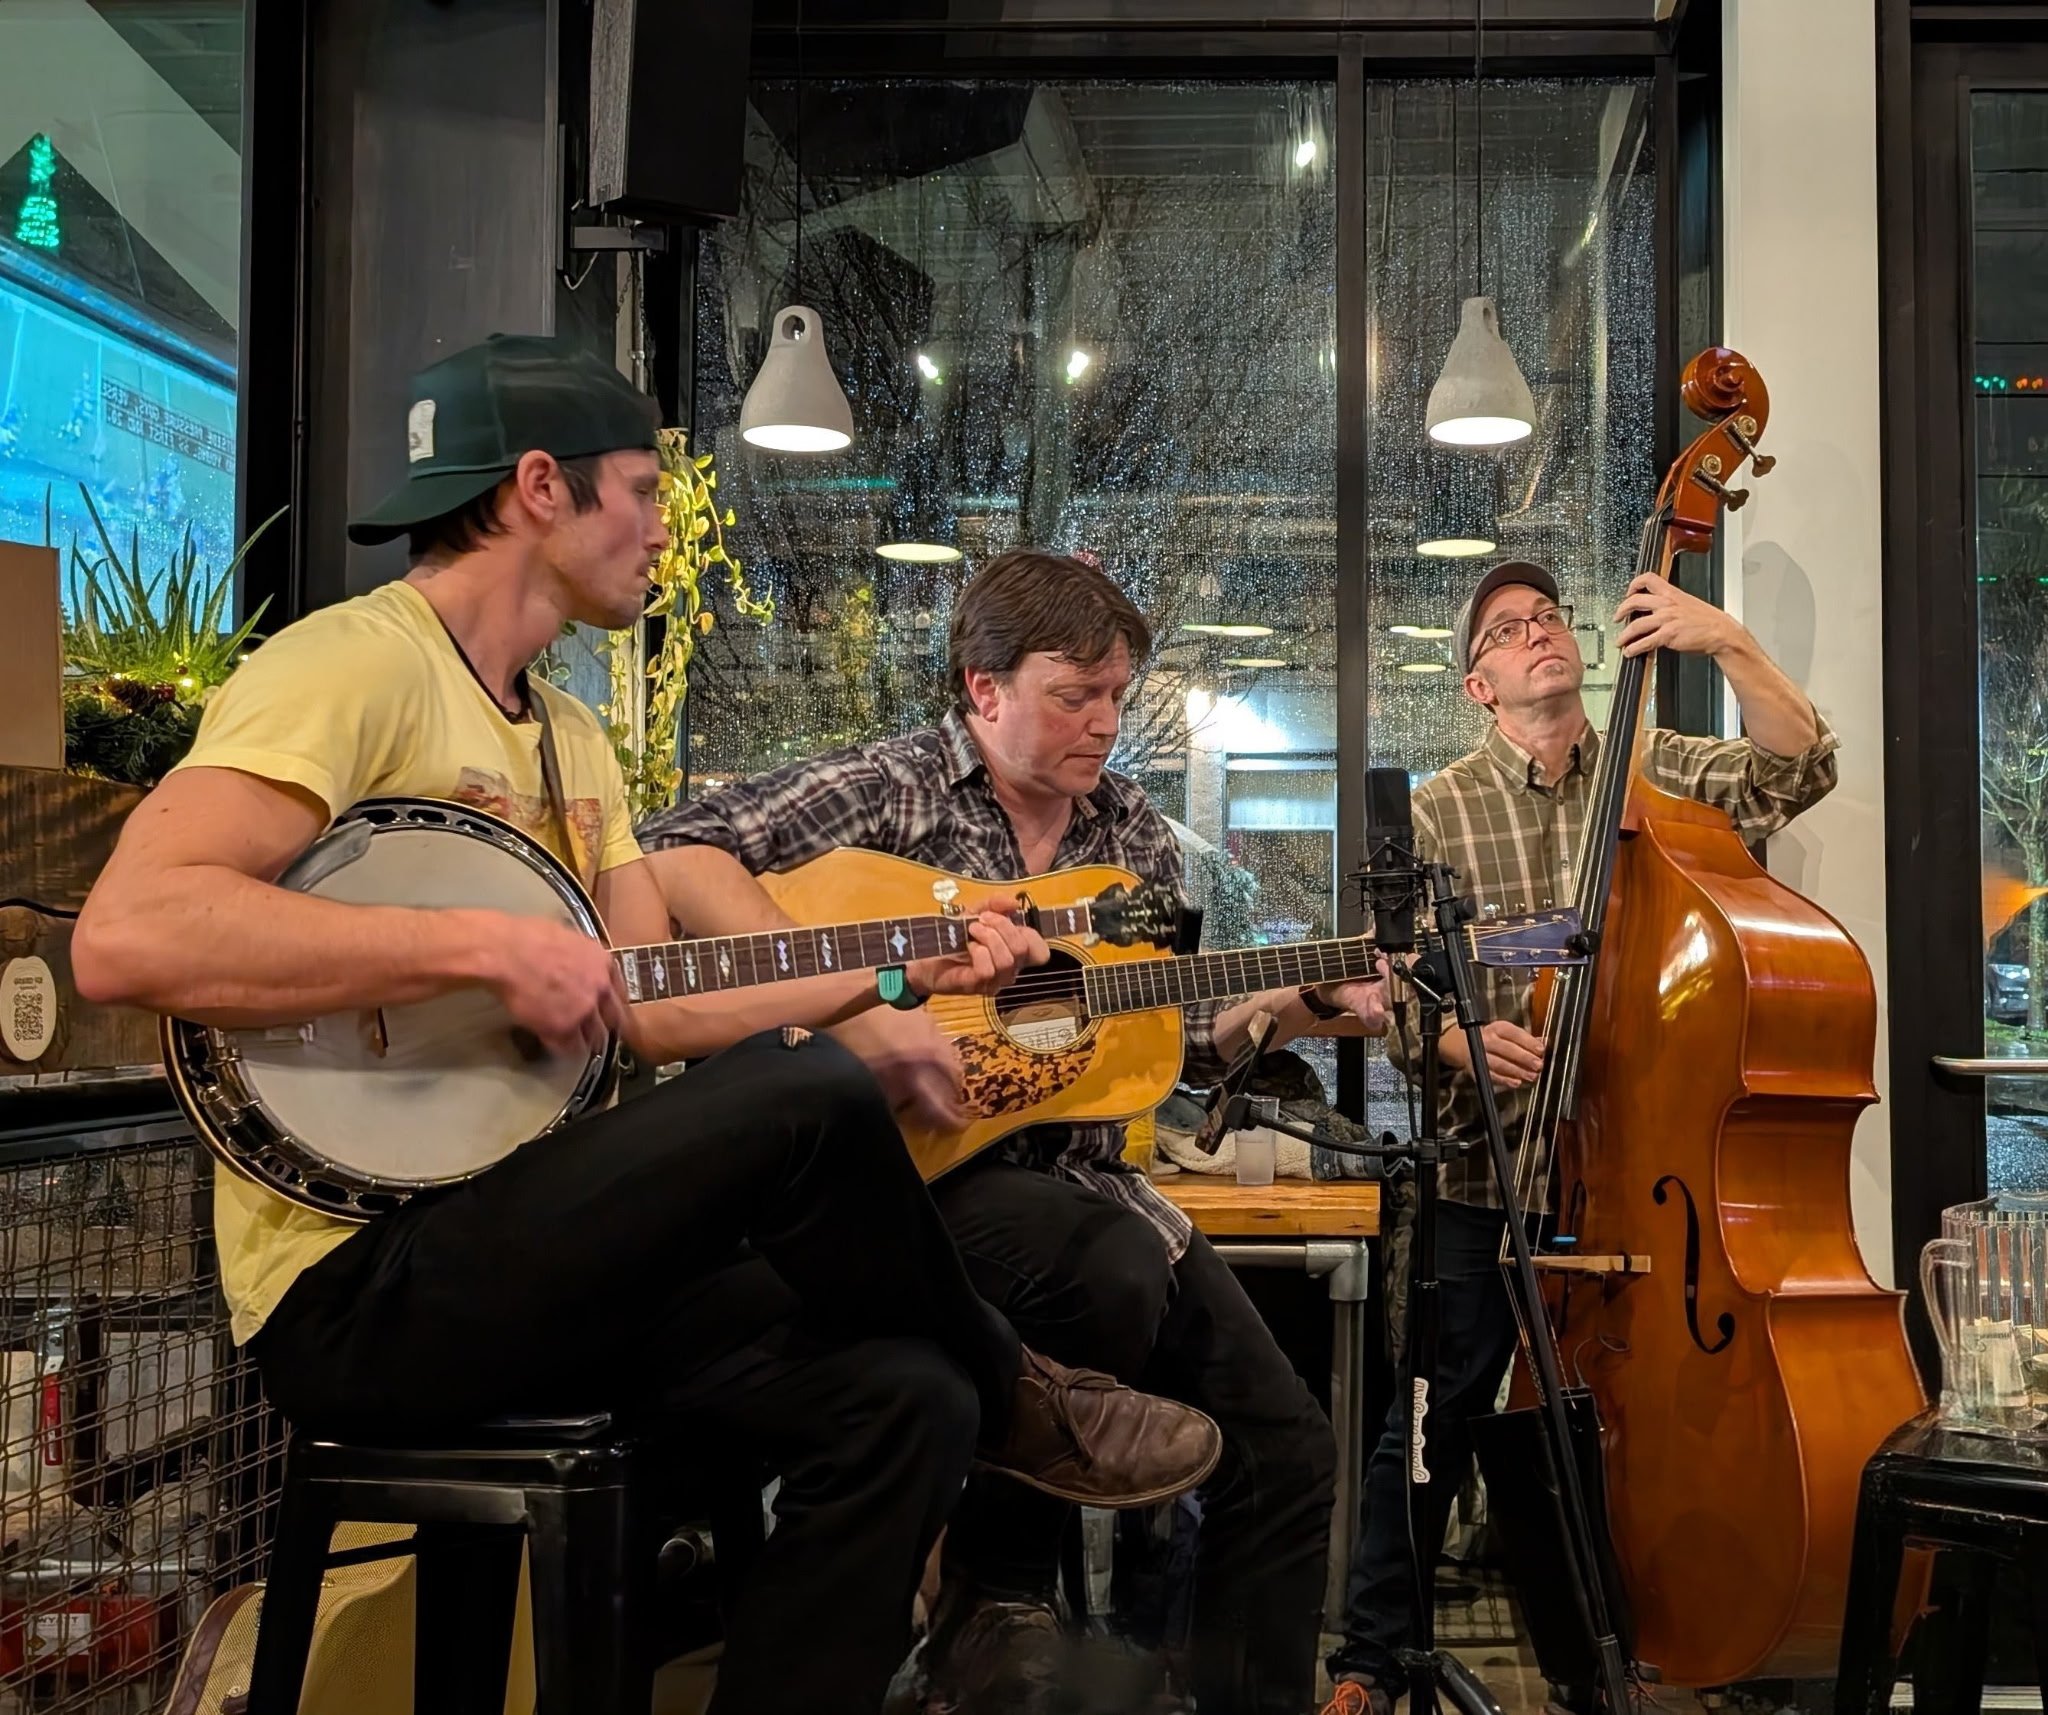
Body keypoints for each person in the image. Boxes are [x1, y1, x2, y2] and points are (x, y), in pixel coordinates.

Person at [69, 336, 1223, 1715]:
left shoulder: (570, 731)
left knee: (911, 1399)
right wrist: (478, 944)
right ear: (541, 488)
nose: (666, 533)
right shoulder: (355, 667)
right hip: (363, 1280)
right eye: (643, 492)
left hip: (545, 1244)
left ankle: (983, 1390)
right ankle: (1026, 1379)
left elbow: (661, 996)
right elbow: (126, 932)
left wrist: (909, 967)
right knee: (809, 1093)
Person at [638, 548, 1393, 1715]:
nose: (1104, 721)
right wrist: (855, 991)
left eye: (1116, 694)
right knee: (1102, 1262)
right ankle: (997, 1594)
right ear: (983, 688)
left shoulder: (1132, 841)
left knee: (1286, 1451)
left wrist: (1301, 1002)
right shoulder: (892, 788)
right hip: (911, 1176)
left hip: (1083, 1186)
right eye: (1073, 693)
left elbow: (1169, 1045)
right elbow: (675, 840)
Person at [1319, 559, 1841, 1715]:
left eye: (1548, 617)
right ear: (1477, 684)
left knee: (1635, 1426)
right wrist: (1458, 1044)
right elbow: (1390, 984)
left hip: (1646, 1177)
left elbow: (1797, 766)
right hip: (1486, 1166)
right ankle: (1367, 1655)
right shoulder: (1440, 806)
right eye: (1509, 628)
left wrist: (1725, 643)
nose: (1539, 633)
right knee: (1433, 1414)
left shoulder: (1656, 774)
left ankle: (1630, 1642)